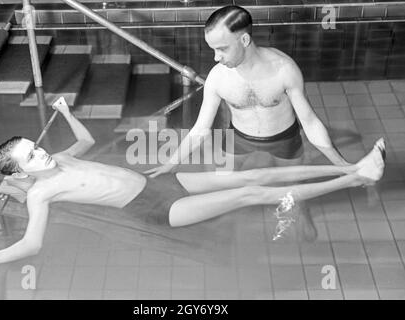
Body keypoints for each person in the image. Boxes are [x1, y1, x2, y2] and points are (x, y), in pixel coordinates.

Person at [0, 97, 385, 280]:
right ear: (22, 172)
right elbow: (32, 245)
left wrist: (67, 111)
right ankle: (356, 177)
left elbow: (85, 143)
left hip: (160, 182)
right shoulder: (39, 194)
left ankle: (352, 167)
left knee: (253, 175)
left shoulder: (61, 159)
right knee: (248, 194)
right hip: (155, 210)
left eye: (36, 145)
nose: (42, 153)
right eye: (31, 157)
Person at [145, 5, 352, 240]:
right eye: (213, 49)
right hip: (239, 137)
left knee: (293, 182)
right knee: (225, 179)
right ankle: (225, 216)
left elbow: (310, 122)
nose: (215, 57)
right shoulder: (218, 77)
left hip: (283, 138)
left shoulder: (283, 69)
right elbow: (200, 129)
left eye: (222, 49)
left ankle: (302, 212)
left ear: (244, 39)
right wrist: (170, 164)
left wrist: (342, 165)